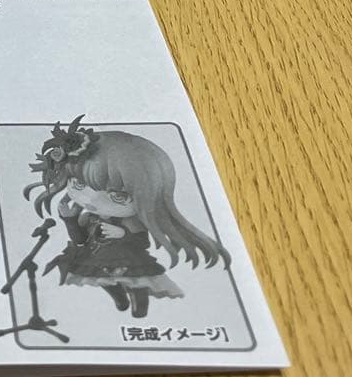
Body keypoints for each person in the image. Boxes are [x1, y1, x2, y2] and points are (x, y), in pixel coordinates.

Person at [26, 118, 231, 317]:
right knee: (105, 282)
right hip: (98, 260)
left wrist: (123, 233)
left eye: (118, 196)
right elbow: (80, 240)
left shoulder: (131, 220)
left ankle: (139, 305)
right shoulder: (88, 217)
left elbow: (141, 241)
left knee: (136, 284)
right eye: (78, 185)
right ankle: (120, 300)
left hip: (130, 261)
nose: (91, 200)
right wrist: (70, 220)